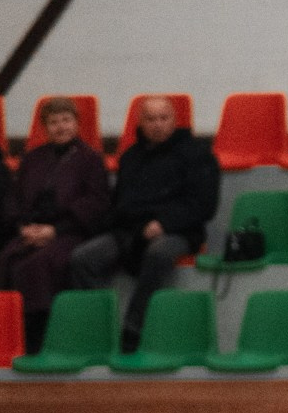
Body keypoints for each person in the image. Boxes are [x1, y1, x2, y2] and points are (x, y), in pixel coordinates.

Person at [70, 95, 219, 352]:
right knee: (83, 258)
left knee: (159, 252)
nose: (158, 124)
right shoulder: (130, 157)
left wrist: (164, 222)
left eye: (164, 118)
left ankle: (134, 326)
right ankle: (96, 328)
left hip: (178, 231)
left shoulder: (197, 154)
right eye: (151, 119)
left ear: (174, 120)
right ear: (140, 122)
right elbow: (119, 203)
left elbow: (204, 204)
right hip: (128, 230)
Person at [0, 98, 111, 353]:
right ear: (45, 127)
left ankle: (39, 339)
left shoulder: (91, 160)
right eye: (54, 122)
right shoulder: (33, 158)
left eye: (66, 120)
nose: (61, 127)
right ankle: (9, 337)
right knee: (6, 258)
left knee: (38, 265)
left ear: (76, 124)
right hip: (31, 229)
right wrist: (22, 228)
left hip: (70, 232)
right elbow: (14, 198)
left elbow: (96, 203)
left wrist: (54, 231)